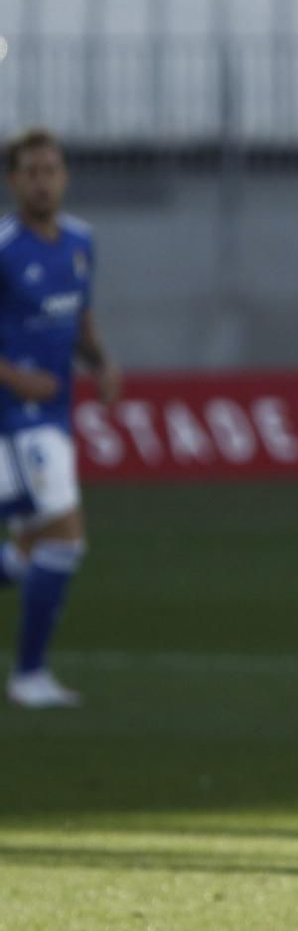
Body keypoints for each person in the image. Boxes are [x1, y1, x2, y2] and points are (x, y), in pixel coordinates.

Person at [0, 129, 120, 708]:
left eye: (50, 170)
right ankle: (29, 677)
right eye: (31, 171)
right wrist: (14, 376)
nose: (42, 181)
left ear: (64, 176)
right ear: (13, 181)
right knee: (65, 540)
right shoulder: (4, 248)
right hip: (14, 416)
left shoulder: (80, 242)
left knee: (27, 552)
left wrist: (101, 362)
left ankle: (29, 675)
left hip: (55, 412)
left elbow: (79, 319)